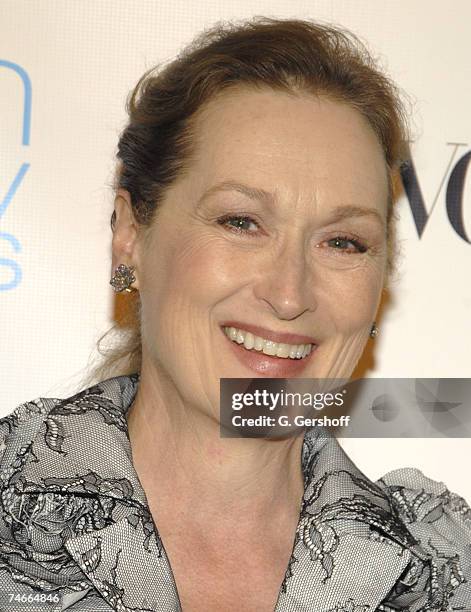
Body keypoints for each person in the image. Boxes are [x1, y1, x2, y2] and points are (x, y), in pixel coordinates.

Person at [1, 17, 470, 612]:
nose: (289, 292)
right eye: (241, 222)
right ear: (130, 236)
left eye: (343, 242)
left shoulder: (445, 573)